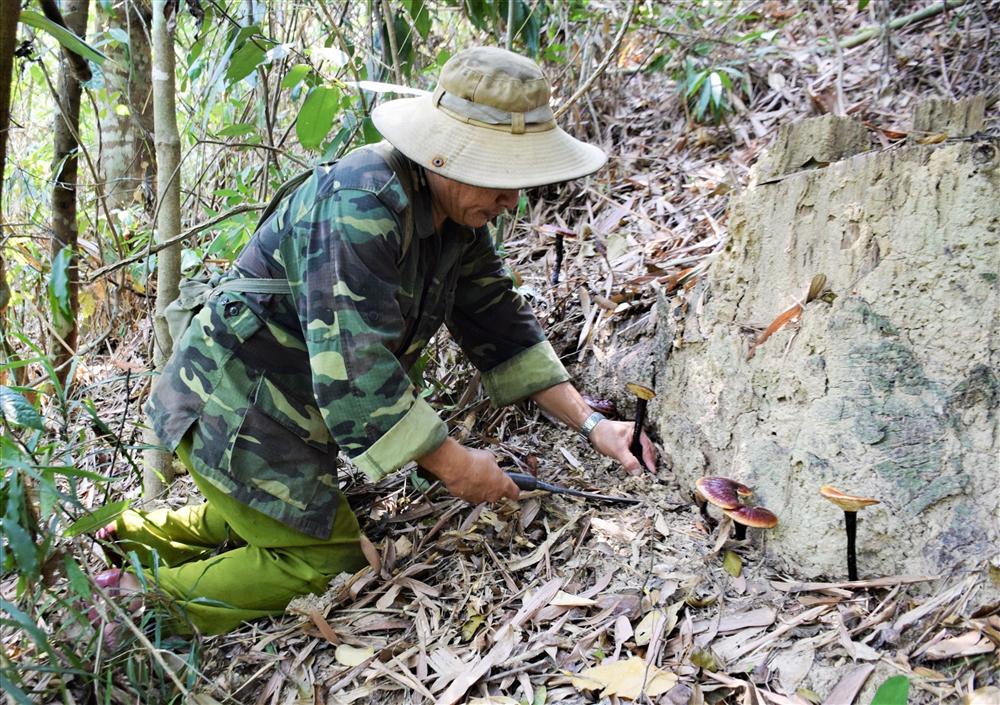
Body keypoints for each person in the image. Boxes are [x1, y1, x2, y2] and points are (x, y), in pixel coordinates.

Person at [94, 46, 657, 636]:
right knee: (323, 562)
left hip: (281, 412)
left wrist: (593, 426)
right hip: (233, 408)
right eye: (501, 178)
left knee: (290, 515)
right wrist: (456, 465)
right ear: (447, 154)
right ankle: (136, 602)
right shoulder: (360, 205)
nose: (512, 200)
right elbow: (357, 375)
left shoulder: (455, 218)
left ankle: (136, 535)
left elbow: (500, 326)